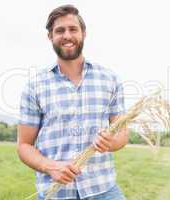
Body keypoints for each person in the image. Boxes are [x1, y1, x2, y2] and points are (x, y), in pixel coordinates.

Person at [17, 4, 128, 200]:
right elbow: (24, 145)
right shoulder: (34, 86)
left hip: (103, 190)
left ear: (83, 33)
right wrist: (49, 167)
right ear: (50, 37)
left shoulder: (110, 79)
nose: (67, 35)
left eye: (73, 29)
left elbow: (122, 135)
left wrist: (112, 142)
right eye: (60, 30)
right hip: (55, 193)